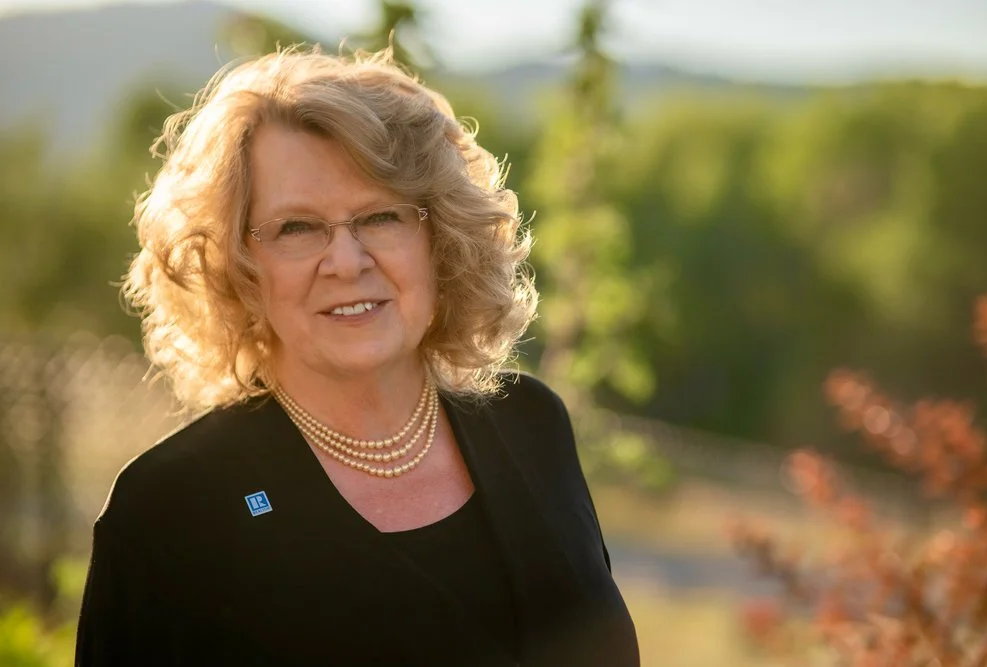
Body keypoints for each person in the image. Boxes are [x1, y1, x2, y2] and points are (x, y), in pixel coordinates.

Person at [75, 45, 640, 667]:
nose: (347, 262)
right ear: (237, 268)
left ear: (440, 239)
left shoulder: (531, 423)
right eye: (296, 227)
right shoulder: (170, 509)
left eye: (380, 217)